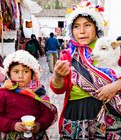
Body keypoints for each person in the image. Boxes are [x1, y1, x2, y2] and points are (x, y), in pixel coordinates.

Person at [50, 1, 121, 139]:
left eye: (87, 25)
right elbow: (59, 89)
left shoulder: (110, 47)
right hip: (77, 111)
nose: (81, 31)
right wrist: (58, 76)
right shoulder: (68, 54)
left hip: (107, 109)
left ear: (97, 27)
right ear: (71, 30)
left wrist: (115, 86)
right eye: (76, 26)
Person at [0, 50, 58, 140]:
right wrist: (13, 125)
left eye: (25, 71)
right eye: (16, 71)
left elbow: (48, 113)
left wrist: (39, 124)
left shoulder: (37, 91)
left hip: (36, 136)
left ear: (32, 73)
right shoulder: (4, 93)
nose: (21, 76)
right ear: (9, 73)